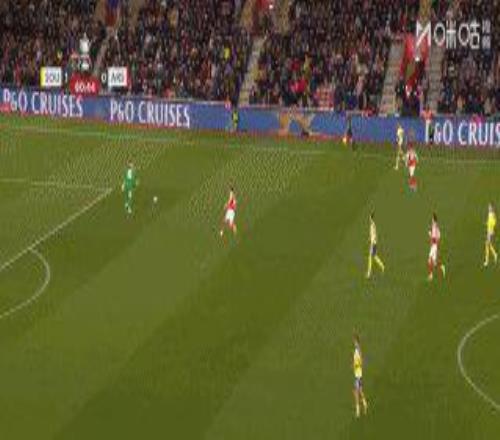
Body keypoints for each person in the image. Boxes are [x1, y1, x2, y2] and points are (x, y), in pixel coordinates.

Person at [353, 333, 368, 418]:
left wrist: (356, 365)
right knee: (360, 391)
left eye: (355, 341)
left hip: (358, 374)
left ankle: (358, 410)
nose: (354, 343)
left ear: (357, 341)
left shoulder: (358, 350)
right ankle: (365, 404)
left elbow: (361, 361)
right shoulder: (357, 349)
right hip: (358, 373)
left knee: (356, 392)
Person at [366, 212, 385, 278]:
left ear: (371, 218)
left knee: (370, 257)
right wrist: (370, 238)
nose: (369, 219)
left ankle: (369, 273)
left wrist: (372, 242)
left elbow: (374, 234)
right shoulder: (373, 224)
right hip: (374, 242)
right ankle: (382, 266)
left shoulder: (372, 225)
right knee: (374, 256)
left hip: (373, 243)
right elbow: (373, 234)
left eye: (370, 218)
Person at [428, 213, 446, 281]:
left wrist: (431, 236)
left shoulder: (435, 227)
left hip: (434, 246)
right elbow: (437, 236)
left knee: (429, 261)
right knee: (434, 263)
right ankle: (441, 267)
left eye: (432, 219)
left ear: (434, 220)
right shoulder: (434, 227)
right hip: (433, 246)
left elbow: (436, 239)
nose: (431, 220)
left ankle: (431, 275)